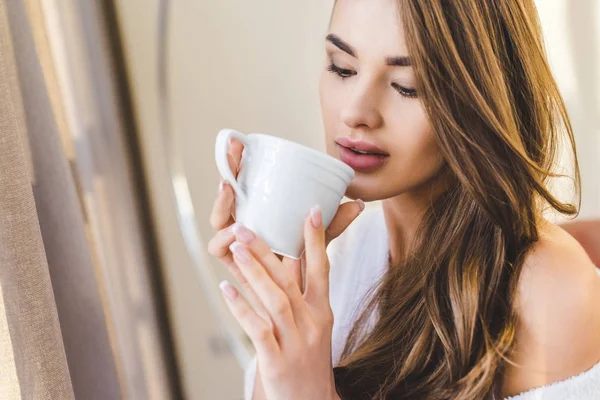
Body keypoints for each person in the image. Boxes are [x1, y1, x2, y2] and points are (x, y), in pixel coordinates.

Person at [208, 0, 600, 399]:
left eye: (407, 86)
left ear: (483, 98)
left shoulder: (548, 289)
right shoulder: (332, 258)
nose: (356, 112)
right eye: (342, 67)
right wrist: (276, 299)